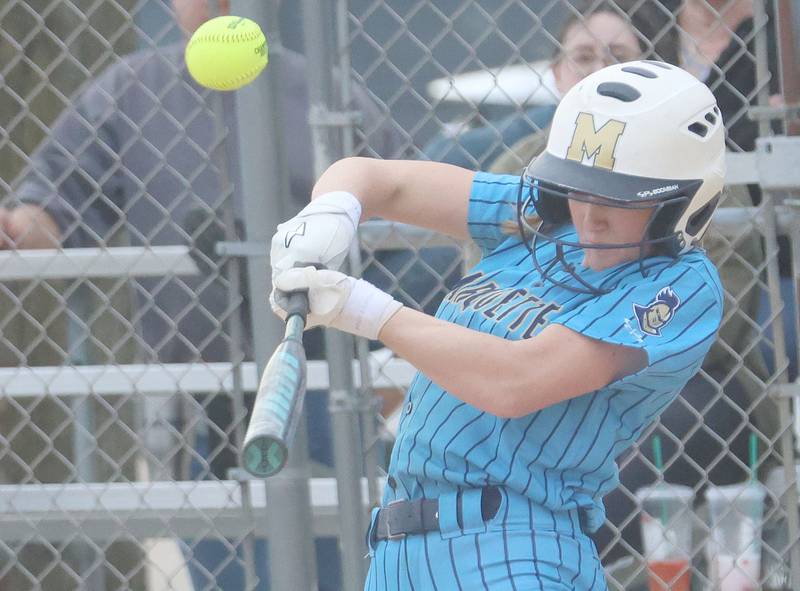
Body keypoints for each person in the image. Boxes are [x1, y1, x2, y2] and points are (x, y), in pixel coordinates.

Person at [269, 61, 725, 589]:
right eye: (580, 189)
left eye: (618, 200)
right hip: (398, 547)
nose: (590, 216)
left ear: (685, 203)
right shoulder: (545, 216)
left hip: (515, 546)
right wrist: (332, 211)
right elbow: (382, 181)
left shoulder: (681, 284)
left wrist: (373, 313)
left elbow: (516, 382)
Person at [2, 0, 400, 589]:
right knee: (224, 563)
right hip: (202, 391)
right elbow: (50, 215)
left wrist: (388, 376)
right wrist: (18, 226)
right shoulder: (132, 89)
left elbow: (404, 232)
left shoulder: (325, 91)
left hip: (321, 372)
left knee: (345, 558)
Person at [421, 0, 679, 170]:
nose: (600, 71)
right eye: (583, 57)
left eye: (619, 57)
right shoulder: (520, 155)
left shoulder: (674, 152)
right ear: (556, 72)